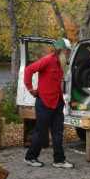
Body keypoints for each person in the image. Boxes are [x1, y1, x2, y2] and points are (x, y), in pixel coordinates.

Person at [23, 38, 74, 168]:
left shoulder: (61, 63)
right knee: (41, 132)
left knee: (58, 132)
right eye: (67, 51)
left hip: (57, 102)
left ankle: (59, 160)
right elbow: (29, 70)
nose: (69, 53)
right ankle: (30, 157)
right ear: (61, 51)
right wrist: (30, 89)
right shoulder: (48, 60)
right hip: (44, 102)